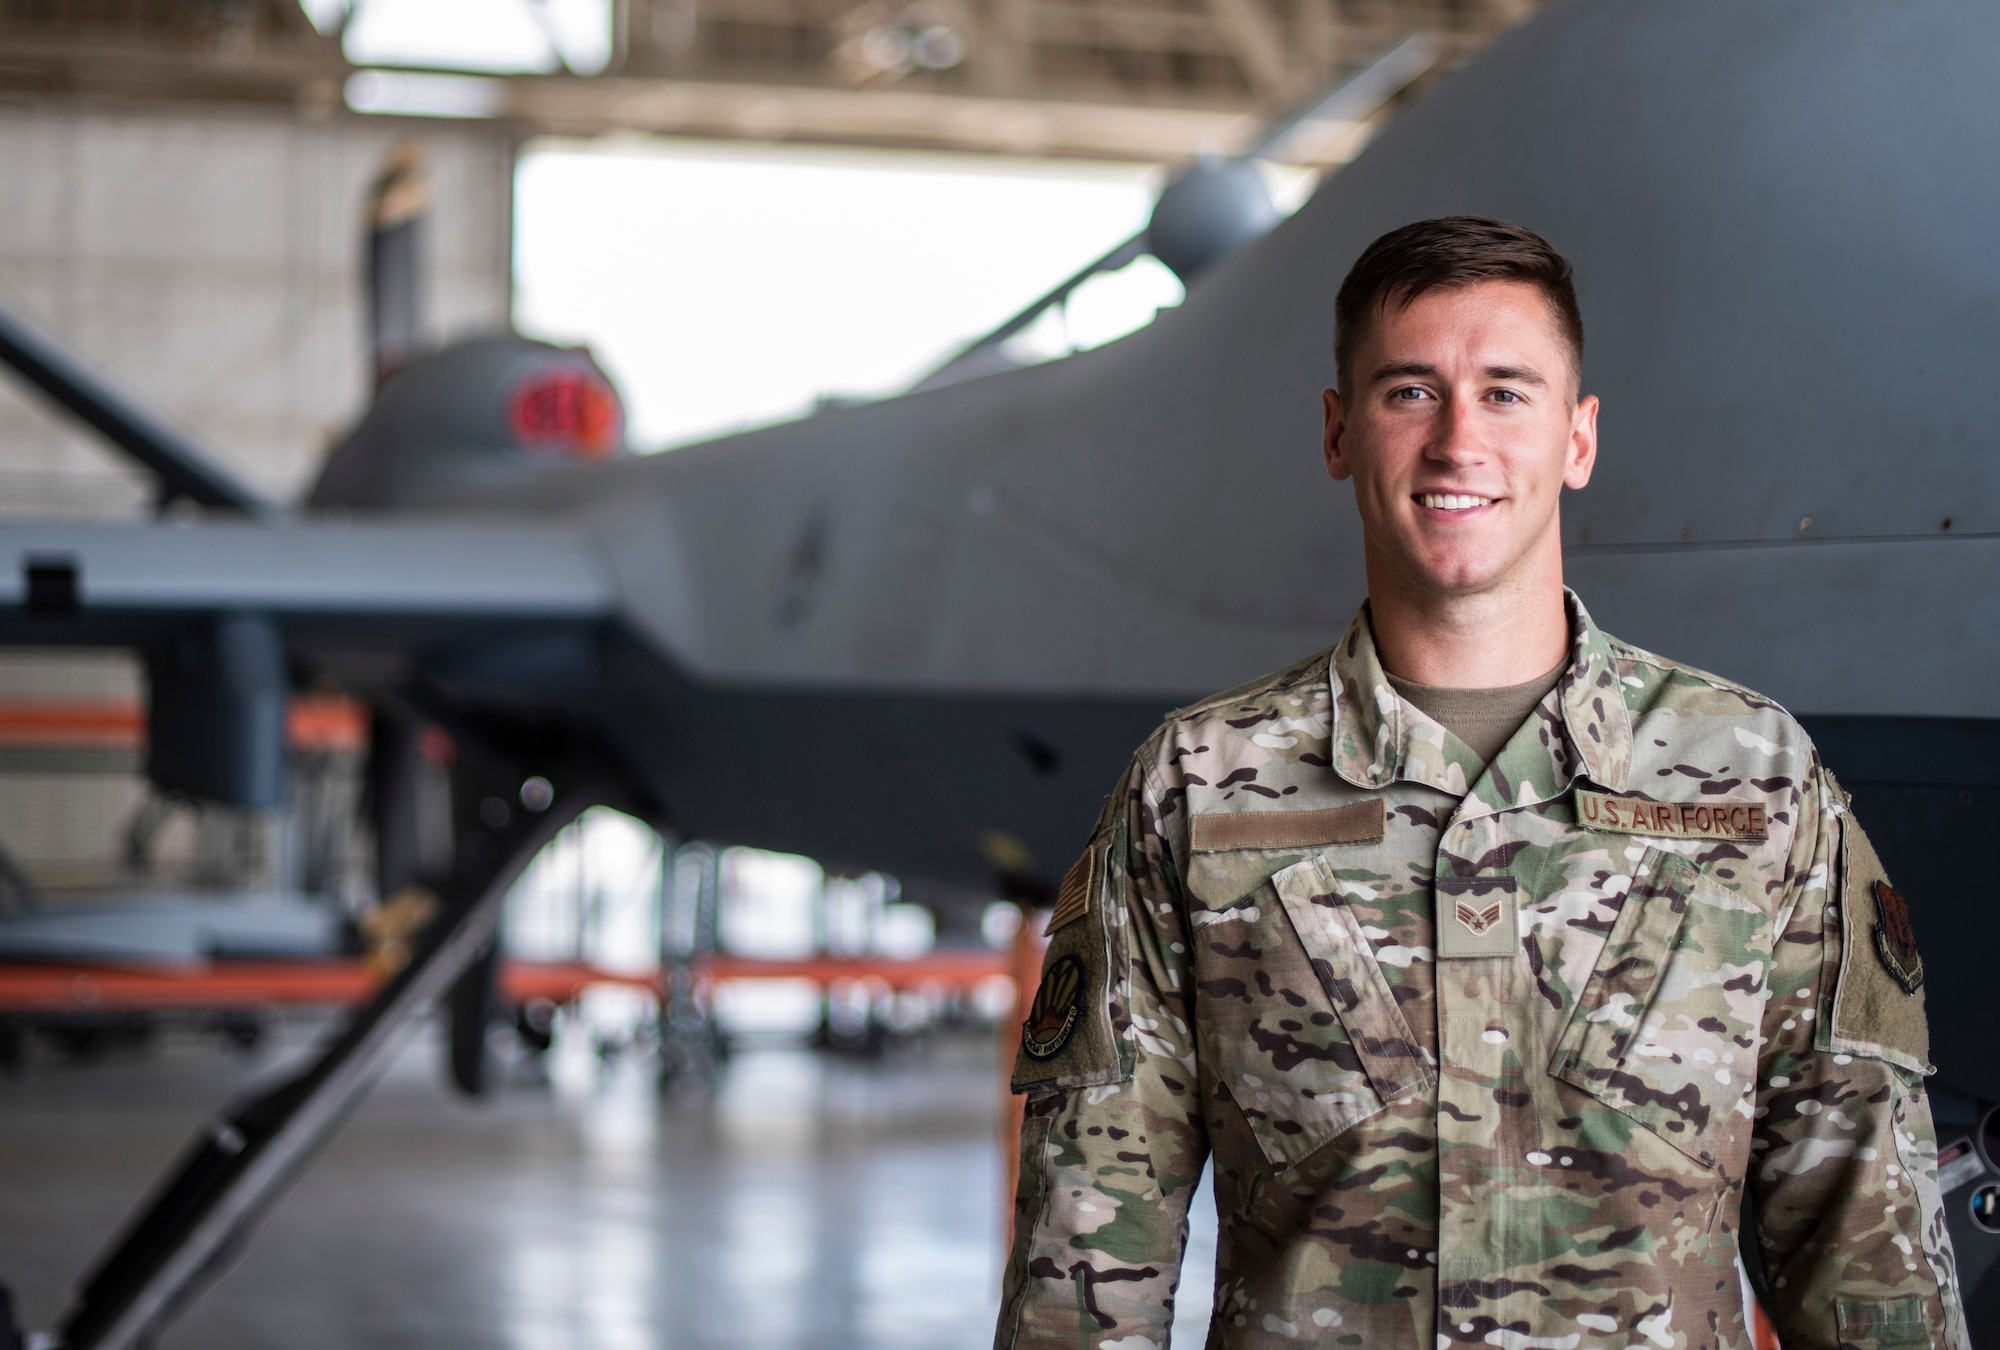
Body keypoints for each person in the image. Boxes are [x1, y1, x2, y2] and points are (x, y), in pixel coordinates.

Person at [993, 216, 1967, 1350]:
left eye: (1506, 392)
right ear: (1335, 431)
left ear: (1577, 438)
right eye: (1410, 391)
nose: (1459, 440)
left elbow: (1865, 1246)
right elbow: (1084, 1263)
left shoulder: (1755, 784)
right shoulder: (1201, 789)